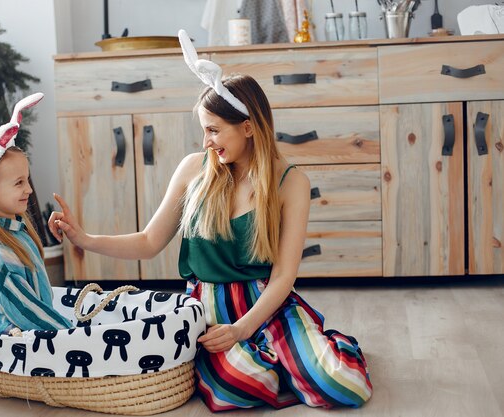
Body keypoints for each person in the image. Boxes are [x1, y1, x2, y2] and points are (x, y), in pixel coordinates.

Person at [47, 30, 372, 411]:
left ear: (248, 127)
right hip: (208, 307)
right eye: (204, 130)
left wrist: (243, 329)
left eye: (214, 130)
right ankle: (283, 364)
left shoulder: (292, 182)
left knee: (344, 385)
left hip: (265, 302)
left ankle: (305, 353)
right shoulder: (193, 170)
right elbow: (150, 242)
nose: (205, 142)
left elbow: (284, 277)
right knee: (237, 388)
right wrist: (84, 239)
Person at [0, 93, 72, 335]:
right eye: (19, 183)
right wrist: (69, 332)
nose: (29, 189)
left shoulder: (17, 231)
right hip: (14, 341)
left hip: (35, 331)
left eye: (27, 179)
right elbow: (25, 310)